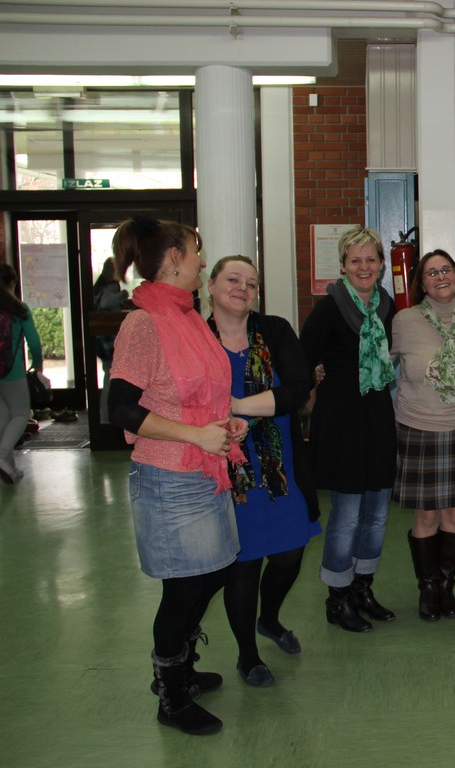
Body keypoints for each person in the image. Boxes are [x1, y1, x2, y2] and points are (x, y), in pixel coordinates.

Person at [107, 216, 249, 735]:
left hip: (204, 468)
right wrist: (195, 435)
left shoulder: (188, 316)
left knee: (213, 574)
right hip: (169, 477)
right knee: (184, 588)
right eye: (195, 251)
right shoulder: (144, 323)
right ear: (172, 258)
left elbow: (197, 394)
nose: (201, 261)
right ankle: (170, 693)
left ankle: (182, 664)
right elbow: (120, 408)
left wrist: (223, 422)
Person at [207, 256, 321, 688]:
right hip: (227, 468)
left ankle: (268, 617)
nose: (243, 288)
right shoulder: (198, 337)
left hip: (280, 465)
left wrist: (237, 407)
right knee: (244, 564)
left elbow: (296, 390)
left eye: (251, 283)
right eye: (233, 279)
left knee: (291, 553)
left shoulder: (274, 331)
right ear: (210, 285)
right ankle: (247, 655)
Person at [300, 226, 397, 634]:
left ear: (381, 265)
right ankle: (337, 598)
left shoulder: (387, 307)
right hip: (341, 422)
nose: (363, 266)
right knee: (347, 516)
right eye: (355, 260)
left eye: (370, 259)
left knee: (377, 514)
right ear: (342, 266)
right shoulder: (329, 308)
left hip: (378, 419)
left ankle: (362, 589)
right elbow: (302, 359)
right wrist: (314, 379)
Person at [392, 249, 455, 622]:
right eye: (431, 273)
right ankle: (428, 589)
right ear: (421, 283)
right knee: (427, 514)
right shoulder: (404, 320)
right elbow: (383, 371)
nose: (440, 277)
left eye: (446, 270)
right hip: (418, 429)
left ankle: (446, 587)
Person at [0, 263, 43, 483]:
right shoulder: (19, 309)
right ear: (12, 283)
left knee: (4, 417)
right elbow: (34, 341)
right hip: (12, 372)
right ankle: (2, 456)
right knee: (20, 414)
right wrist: (38, 364)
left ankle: (10, 467)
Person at [92, 257, 129, 426]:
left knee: (108, 375)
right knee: (111, 377)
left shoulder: (98, 287)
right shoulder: (112, 286)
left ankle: (105, 417)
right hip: (110, 341)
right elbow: (107, 302)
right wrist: (124, 294)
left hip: (101, 340)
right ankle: (107, 419)